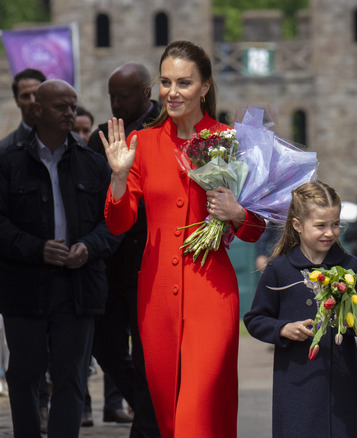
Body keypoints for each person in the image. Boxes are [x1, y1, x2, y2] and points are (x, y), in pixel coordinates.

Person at [100, 40, 266, 438]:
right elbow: (119, 223)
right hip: (155, 297)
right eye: (166, 82)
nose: (172, 92)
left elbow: (257, 225)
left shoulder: (232, 140)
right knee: (169, 417)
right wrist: (119, 178)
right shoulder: (144, 143)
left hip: (212, 293)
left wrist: (238, 214)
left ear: (205, 87)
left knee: (197, 413)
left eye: (184, 83)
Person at [0, 79, 120, 437]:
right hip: (24, 285)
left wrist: (90, 246)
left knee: (71, 376)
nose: (70, 113)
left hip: (77, 285)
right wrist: (36, 248)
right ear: (37, 111)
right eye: (61, 107)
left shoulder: (93, 165)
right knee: (23, 375)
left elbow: (115, 223)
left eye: (73, 105)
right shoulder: (8, 163)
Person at [244, 181, 357, 438]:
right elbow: (255, 319)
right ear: (298, 225)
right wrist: (283, 328)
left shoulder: (352, 267)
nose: (330, 232)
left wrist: (351, 319)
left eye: (335, 224)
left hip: (342, 388)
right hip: (295, 385)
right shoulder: (279, 268)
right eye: (320, 226)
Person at [88, 62, 162, 437]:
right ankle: (150, 407)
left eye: (124, 95)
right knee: (105, 345)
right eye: (111, 96)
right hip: (107, 263)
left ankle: (148, 423)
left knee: (147, 352)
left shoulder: (162, 132)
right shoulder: (101, 137)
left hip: (148, 260)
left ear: (146, 93)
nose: (116, 103)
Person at [0, 68, 46, 151]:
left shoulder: (70, 142)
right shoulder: (5, 149)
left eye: (37, 94)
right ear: (17, 100)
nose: (32, 101)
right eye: (25, 96)